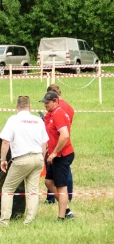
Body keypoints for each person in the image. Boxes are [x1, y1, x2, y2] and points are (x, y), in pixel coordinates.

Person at [0, 95, 49, 226]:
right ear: (30, 107)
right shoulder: (38, 120)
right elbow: (44, 144)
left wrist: (3, 159)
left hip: (22, 159)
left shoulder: (13, 120)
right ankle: (29, 222)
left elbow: (5, 141)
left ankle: (4, 221)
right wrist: (42, 160)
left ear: (16, 107)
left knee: (8, 189)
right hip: (38, 157)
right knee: (32, 191)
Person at [40, 91, 75, 222]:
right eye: (44, 102)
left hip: (62, 155)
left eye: (47, 102)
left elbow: (65, 135)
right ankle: (66, 209)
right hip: (55, 155)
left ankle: (62, 217)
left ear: (55, 101)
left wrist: (54, 153)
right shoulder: (52, 113)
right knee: (49, 182)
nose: (45, 105)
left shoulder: (58, 113)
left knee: (61, 187)